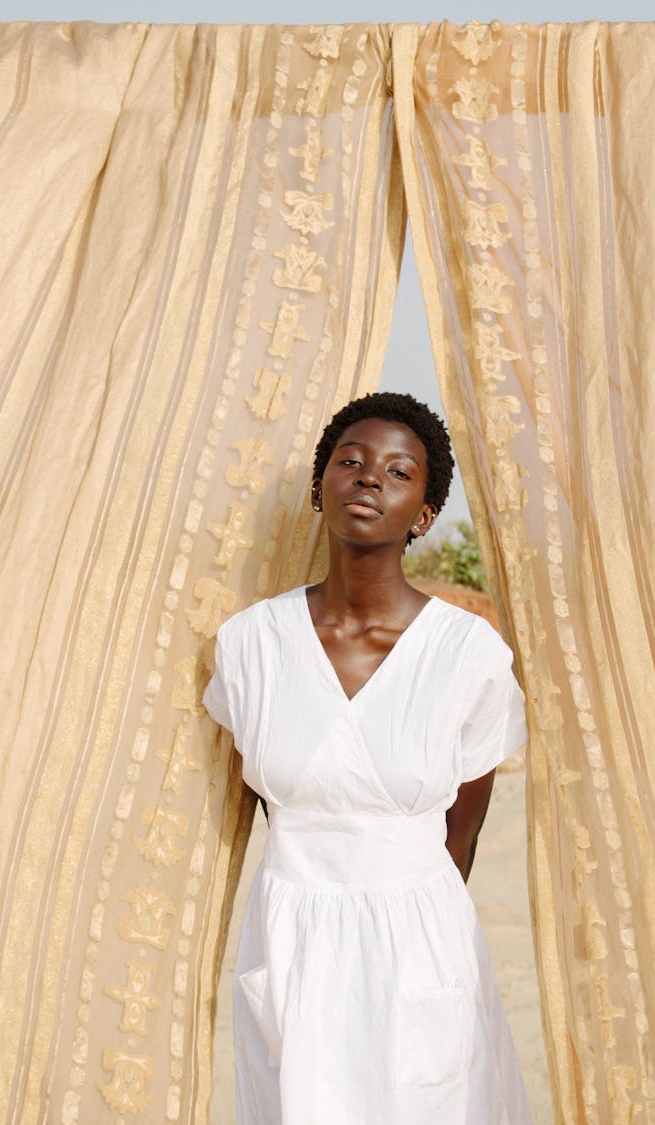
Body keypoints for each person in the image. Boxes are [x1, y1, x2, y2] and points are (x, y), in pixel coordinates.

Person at [203, 391, 533, 1123]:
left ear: (423, 512)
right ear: (320, 485)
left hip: (421, 938)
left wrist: (404, 915)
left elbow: (462, 830)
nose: (369, 477)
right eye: (349, 461)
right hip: (292, 935)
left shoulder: (467, 655)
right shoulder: (249, 645)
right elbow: (281, 798)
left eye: (397, 469)